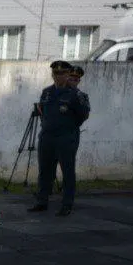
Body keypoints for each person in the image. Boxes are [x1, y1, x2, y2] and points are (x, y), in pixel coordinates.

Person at [29, 60, 90, 217]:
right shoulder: (47, 92)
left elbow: (82, 116)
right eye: (56, 73)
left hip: (66, 137)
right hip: (47, 136)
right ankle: (42, 201)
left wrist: (67, 127)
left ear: (68, 74)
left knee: (67, 171)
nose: (58, 76)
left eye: (62, 73)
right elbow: (43, 111)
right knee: (45, 170)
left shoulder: (76, 95)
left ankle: (67, 204)